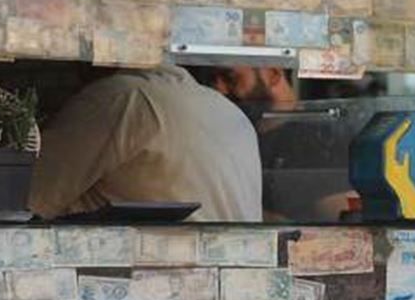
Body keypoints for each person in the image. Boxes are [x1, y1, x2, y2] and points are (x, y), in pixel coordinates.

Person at [28, 64, 262, 222]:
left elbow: (28, 199)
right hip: (233, 274)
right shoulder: (226, 109)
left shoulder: (118, 97)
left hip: (162, 275)